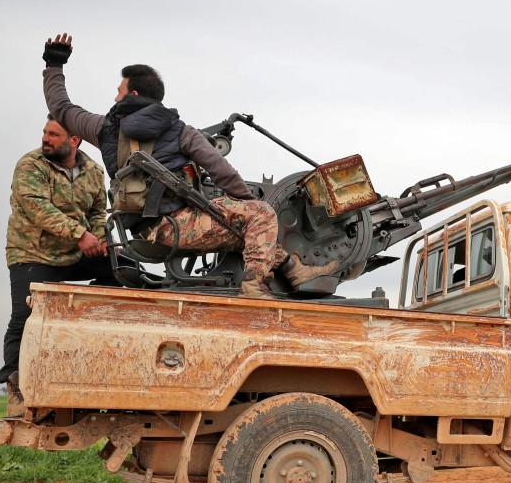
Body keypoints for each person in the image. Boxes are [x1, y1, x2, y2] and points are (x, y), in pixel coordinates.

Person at [40, 33, 332, 298]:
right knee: (261, 215)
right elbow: (223, 173)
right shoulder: (181, 131)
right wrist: (246, 202)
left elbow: (61, 108)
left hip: (142, 232)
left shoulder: (103, 129)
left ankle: (295, 270)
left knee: (245, 224)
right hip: (176, 228)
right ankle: (255, 289)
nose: (115, 97)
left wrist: (55, 64)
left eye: (119, 91)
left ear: (133, 95)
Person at [0, 116, 118, 389]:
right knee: (25, 318)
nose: (45, 138)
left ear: (74, 141)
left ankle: (86, 331)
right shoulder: (30, 165)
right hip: (33, 254)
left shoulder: (94, 172)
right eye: (45, 132)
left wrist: (102, 240)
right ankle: (14, 384)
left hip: (76, 254)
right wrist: (80, 235)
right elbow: (37, 208)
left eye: (53, 134)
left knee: (124, 270)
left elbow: (99, 213)